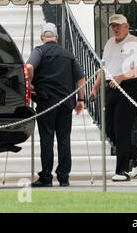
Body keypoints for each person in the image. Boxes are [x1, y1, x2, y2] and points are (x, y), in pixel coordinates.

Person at [89, 14, 137, 182]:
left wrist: (121, 77)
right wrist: (94, 88)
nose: (115, 28)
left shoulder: (135, 42)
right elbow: (103, 68)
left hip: (130, 87)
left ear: (126, 26)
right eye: (113, 25)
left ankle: (122, 170)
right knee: (109, 129)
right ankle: (135, 154)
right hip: (112, 87)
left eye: (118, 25)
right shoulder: (109, 44)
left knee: (122, 130)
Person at [26, 22, 86, 187]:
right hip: (66, 103)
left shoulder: (39, 51)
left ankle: (46, 177)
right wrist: (80, 100)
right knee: (64, 139)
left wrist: (29, 84)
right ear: (57, 37)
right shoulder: (68, 54)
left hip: (46, 102)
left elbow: (29, 66)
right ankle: (64, 177)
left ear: (41, 38)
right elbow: (81, 78)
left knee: (47, 138)